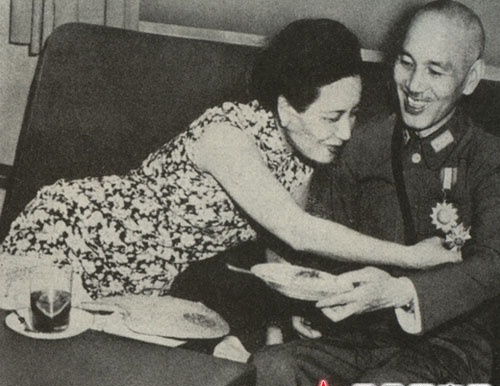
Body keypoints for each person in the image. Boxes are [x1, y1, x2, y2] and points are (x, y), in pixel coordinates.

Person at [0, 19, 457, 300]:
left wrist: (293, 316)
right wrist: (410, 257)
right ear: (285, 109)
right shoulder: (226, 135)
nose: (346, 132)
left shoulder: (304, 156)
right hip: (73, 235)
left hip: (142, 278)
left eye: (353, 113)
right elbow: (297, 230)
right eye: (333, 116)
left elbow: (283, 249)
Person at [252, 1, 500, 386]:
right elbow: (326, 239)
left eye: (436, 70)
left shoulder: (487, 159)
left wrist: (398, 292)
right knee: (270, 370)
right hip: (362, 340)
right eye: (407, 62)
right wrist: (307, 300)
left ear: (471, 77)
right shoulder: (361, 143)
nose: (414, 85)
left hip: (458, 362)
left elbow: (493, 263)